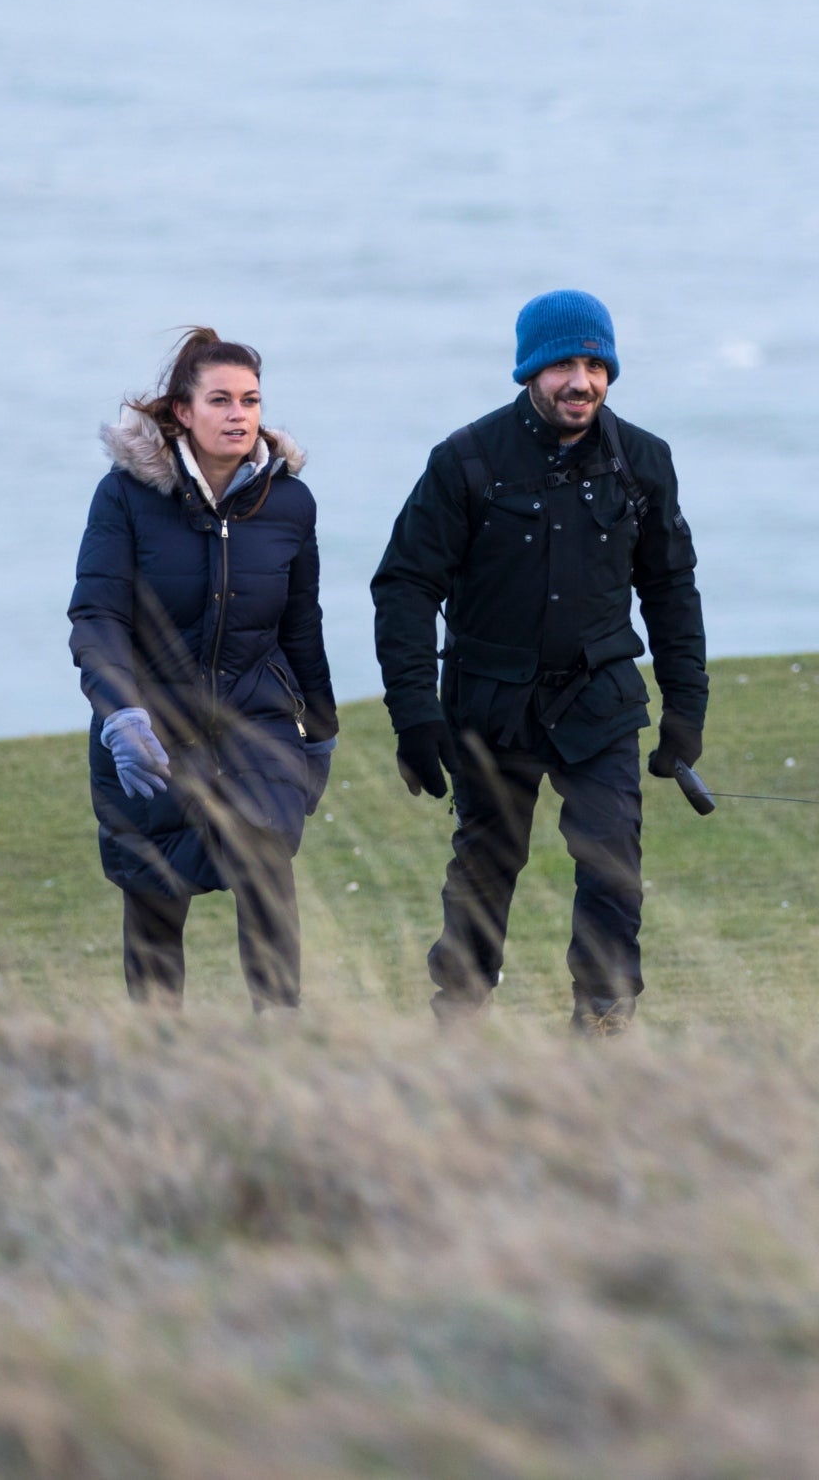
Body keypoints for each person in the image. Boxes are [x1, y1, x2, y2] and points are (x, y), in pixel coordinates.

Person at [370, 289, 707, 1035]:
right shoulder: (464, 461)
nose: (581, 381)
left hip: (601, 699)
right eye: (562, 365)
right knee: (484, 870)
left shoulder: (644, 462)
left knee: (612, 861)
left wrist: (687, 709)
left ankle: (604, 1020)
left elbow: (671, 588)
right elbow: (404, 585)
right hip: (489, 703)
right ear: (529, 370)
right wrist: (414, 716)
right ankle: (458, 1016)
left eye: (595, 364)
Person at [70, 328, 337, 1012]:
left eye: (249, 400)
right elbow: (97, 618)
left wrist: (322, 731)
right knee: (156, 900)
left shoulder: (290, 505)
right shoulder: (125, 498)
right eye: (219, 400)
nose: (238, 415)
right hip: (153, 730)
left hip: (257, 725)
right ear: (182, 412)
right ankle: (159, 1059)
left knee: (266, 863)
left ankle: (280, 1041)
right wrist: (120, 715)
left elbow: (302, 626)